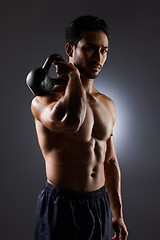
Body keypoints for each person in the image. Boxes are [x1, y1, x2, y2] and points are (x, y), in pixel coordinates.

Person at [31, 15, 128, 240]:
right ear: (70, 49)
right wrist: (73, 76)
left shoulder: (107, 104)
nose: (98, 57)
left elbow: (110, 161)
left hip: (98, 204)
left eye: (104, 50)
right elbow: (71, 120)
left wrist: (117, 212)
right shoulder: (45, 100)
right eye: (90, 48)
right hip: (61, 205)